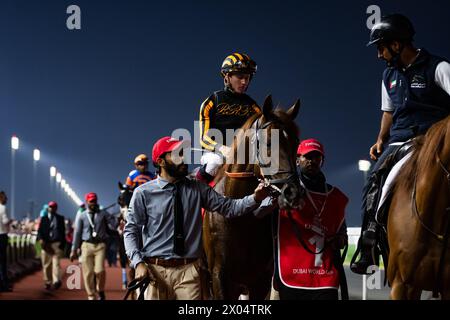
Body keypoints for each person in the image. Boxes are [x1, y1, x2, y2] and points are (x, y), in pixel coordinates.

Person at [351, 13, 450, 274]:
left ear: (396, 45)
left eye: (381, 47)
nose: (379, 54)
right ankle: (368, 244)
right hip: (400, 139)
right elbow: (388, 111)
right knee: (374, 181)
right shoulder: (388, 75)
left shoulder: (438, 67)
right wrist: (381, 139)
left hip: (434, 138)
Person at [123, 136, 270, 300]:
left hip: (190, 272)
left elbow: (229, 208)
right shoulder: (143, 193)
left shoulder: (198, 188)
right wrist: (138, 263)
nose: (184, 157)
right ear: (161, 161)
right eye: (177, 153)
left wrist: (255, 198)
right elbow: (131, 231)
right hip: (154, 271)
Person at [256, 139, 348, 300]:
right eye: (307, 156)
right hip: (290, 274)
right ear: (297, 160)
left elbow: (342, 233)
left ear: (322, 161)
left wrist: (340, 239)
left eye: (317, 157)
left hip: (324, 276)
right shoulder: (282, 189)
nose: (312, 161)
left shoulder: (335, 196)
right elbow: (257, 213)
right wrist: (276, 201)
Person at [196, 53, 261, 183]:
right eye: (240, 77)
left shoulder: (254, 107)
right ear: (227, 76)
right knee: (214, 163)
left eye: (247, 78)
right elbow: (204, 138)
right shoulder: (212, 101)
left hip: (244, 155)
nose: (244, 82)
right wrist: (223, 149)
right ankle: (195, 194)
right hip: (216, 153)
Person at [70, 193, 117, 300]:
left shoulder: (103, 213)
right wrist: (73, 249)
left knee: (99, 271)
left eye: (94, 201)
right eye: (91, 201)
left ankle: (100, 289)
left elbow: (114, 224)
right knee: (88, 272)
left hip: (100, 245)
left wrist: (114, 217)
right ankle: (91, 295)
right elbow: (77, 233)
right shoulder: (82, 216)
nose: (93, 203)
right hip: (86, 245)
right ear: (87, 202)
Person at [37, 201, 66, 290]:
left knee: (56, 263)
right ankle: (47, 281)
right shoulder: (44, 218)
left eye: (53, 207)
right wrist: (41, 240)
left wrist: (62, 244)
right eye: (50, 207)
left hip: (56, 243)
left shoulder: (60, 218)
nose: (52, 208)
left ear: (56, 208)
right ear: (48, 208)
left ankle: (56, 281)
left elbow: (63, 232)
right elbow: (40, 231)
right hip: (46, 244)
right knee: (46, 265)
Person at [0, 191, 12, 292]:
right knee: (2, 261)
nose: (7, 199)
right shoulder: (3, 208)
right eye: (5, 198)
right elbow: (5, 221)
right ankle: (4, 284)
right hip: (2, 236)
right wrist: (10, 221)